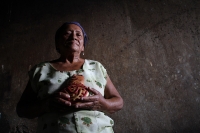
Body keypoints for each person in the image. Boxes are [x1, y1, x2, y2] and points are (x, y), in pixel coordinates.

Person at [16, 22, 123, 133]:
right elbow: (21, 109)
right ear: (57, 43)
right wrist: (45, 105)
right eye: (67, 33)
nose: (73, 37)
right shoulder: (41, 70)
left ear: (83, 46)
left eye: (78, 35)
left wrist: (103, 103)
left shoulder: (96, 67)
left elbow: (118, 101)